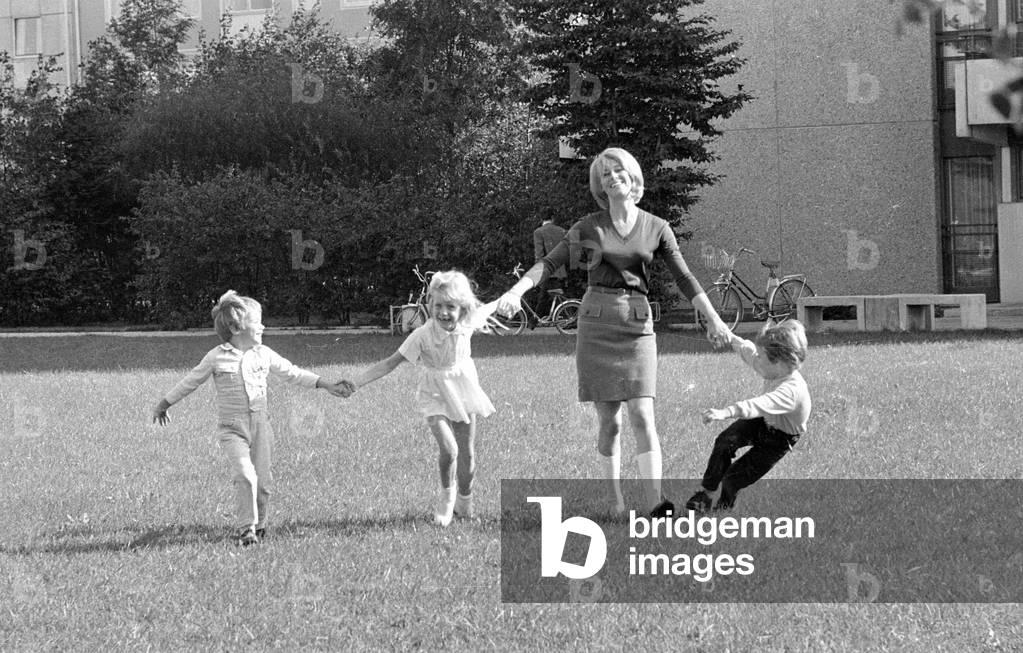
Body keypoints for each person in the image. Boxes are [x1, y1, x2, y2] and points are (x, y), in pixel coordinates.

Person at [496, 147, 733, 517]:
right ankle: (615, 502)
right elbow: (549, 262)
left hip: (638, 327)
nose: (612, 177)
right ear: (599, 185)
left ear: (633, 176)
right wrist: (515, 291)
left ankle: (655, 502)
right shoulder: (588, 227)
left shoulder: (657, 227)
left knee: (642, 413)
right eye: (605, 174)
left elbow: (684, 278)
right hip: (596, 324)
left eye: (618, 170)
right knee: (611, 422)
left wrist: (714, 318)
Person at [151, 290, 351, 546]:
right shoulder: (216, 357)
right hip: (232, 430)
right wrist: (164, 404)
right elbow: (190, 382)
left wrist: (327, 384)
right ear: (236, 327)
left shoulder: (264, 353)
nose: (263, 326)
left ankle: (261, 525)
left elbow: (293, 373)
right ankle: (247, 530)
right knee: (246, 476)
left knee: (263, 483)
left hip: (260, 427)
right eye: (257, 322)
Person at [345, 270, 496, 526]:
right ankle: (447, 498)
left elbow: (497, 305)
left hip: (463, 389)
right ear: (430, 305)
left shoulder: (468, 323)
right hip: (434, 393)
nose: (444, 313)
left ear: (462, 308)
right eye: (438, 306)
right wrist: (356, 382)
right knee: (450, 449)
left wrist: (517, 293)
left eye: (450, 307)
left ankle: (465, 503)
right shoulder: (422, 336)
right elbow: (390, 363)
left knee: (467, 455)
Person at [684, 320, 811, 513]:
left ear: (779, 361)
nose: (756, 360)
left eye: (761, 357)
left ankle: (723, 510)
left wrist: (725, 412)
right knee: (725, 442)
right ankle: (705, 495)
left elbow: (757, 406)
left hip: (779, 440)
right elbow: (748, 350)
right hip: (763, 421)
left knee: (733, 478)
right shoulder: (771, 367)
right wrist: (728, 335)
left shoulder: (792, 391)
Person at [532, 218, 568, 320]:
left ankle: (533, 322)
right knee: (556, 295)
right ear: (552, 219)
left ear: (542, 220)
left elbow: (539, 254)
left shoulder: (538, 232)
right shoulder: (561, 231)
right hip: (559, 269)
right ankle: (566, 318)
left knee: (543, 297)